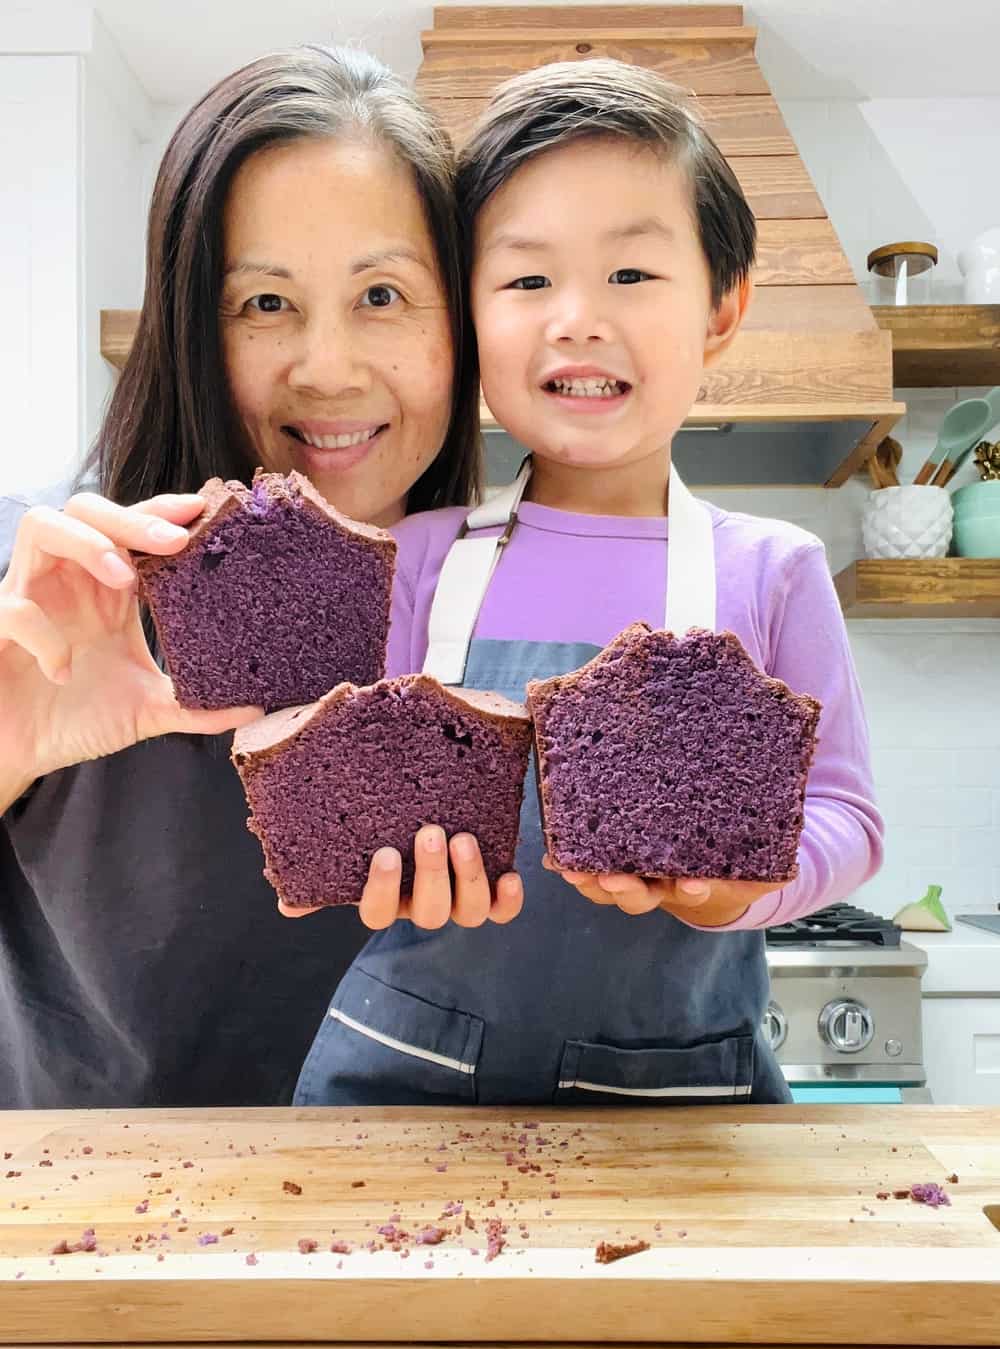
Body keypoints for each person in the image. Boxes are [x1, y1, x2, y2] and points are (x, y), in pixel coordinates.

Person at [293, 59, 885, 1108]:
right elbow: (344, 781)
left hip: (678, 1089)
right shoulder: (413, 559)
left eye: (630, 275)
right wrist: (370, 861)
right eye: (525, 280)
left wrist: (742, 888)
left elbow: (845, 813)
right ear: (466, 321)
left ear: (721, 307)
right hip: (401, 1081)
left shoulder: (774, 571)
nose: (576, 317)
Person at [0, 44, 505, 1109]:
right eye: (264, 304)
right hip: (95, 1236)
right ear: (188, 324)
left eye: (382, 294)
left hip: (445, 1227)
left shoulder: (518, 613)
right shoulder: (43, 585)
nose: (326, 367)